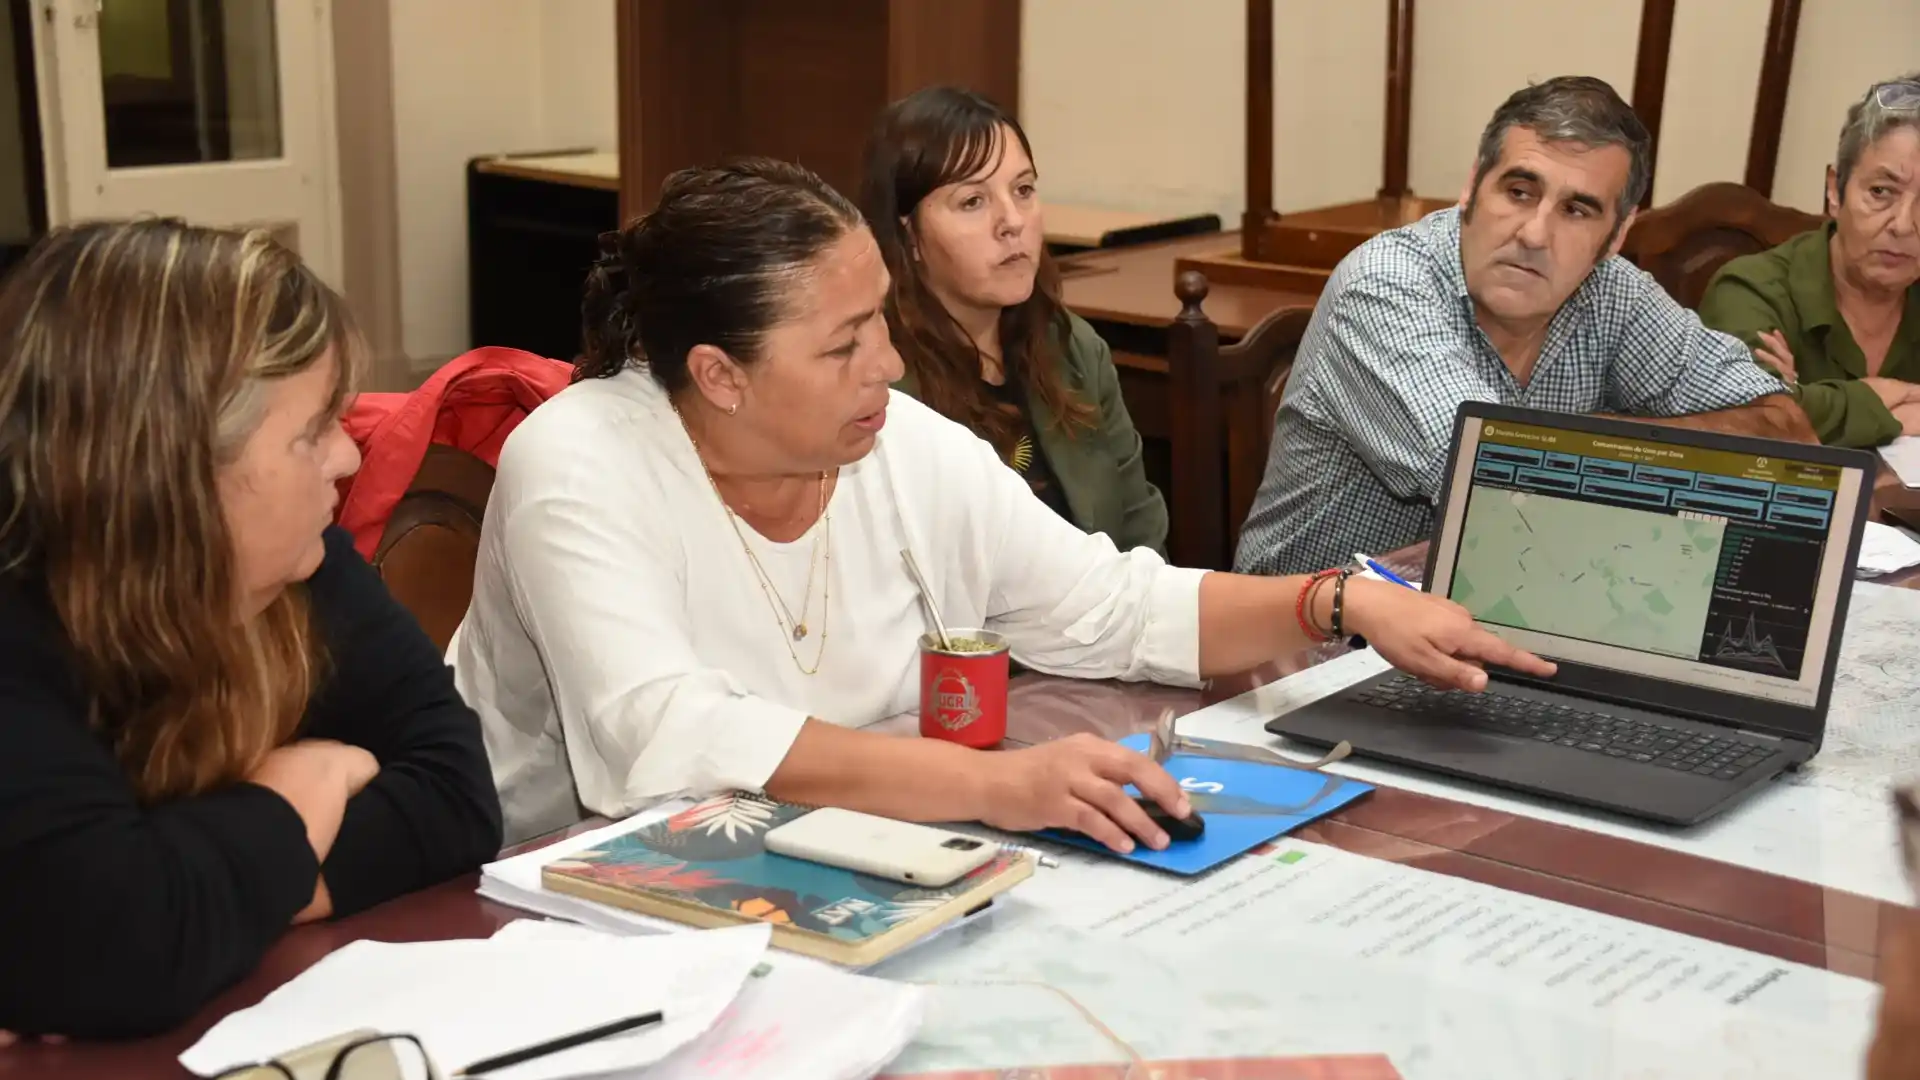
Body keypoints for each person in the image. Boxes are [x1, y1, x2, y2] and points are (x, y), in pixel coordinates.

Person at [452, 158, 1554, 849]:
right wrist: (996, 785)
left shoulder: (895, 444)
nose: (887, 362)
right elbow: (668, 737)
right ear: (719, 375)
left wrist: (1337, 605)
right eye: (843, 345)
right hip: (563, 887)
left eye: (883, 318)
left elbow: (1107, 604)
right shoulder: (580, 460)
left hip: (836, 844)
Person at [0, 221, 504, 1040]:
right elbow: (112, 947)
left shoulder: (299, 562)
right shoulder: (20, 621)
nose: (347, 458)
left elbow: (458, 799)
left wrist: (190, 902)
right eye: (311, 432)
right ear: (174, 466)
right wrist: (292, 798)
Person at [1234, 76, 1813, 578]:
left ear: (1615, 237)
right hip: (1306, 650)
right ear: (1470, 189)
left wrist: (1599, 433)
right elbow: (1498, 486)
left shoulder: (1611, 291)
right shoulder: (1386, 282)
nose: (1534, 234)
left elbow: (1782, 429)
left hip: (1497, 614)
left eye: (1577, 210)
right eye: (1519, 192)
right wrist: (1642, 449)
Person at [859, 86, 1168, 554]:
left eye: (1023, 190)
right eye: (972, 202)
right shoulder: (876, 381)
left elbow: (1140, 539)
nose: (1012, 221)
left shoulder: (1073, 349)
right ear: (909, 235)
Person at [1700, 74, 1920, 448]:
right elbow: (1755, 422)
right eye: (1881, 192)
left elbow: (1790, 417)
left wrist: (1805, 403)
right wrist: (1881, 402)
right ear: (1834, 191)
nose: (1902, 225)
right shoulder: (1751, 290)